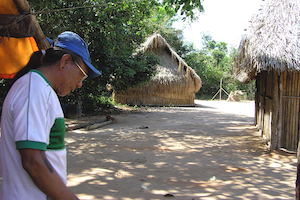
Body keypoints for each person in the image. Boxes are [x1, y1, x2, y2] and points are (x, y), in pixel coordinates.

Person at [0, 31, 101, 200]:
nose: (80, 84)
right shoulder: (34, 89)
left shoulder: (41, 89)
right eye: (82, 75)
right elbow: (33, 161)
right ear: (65, 61)